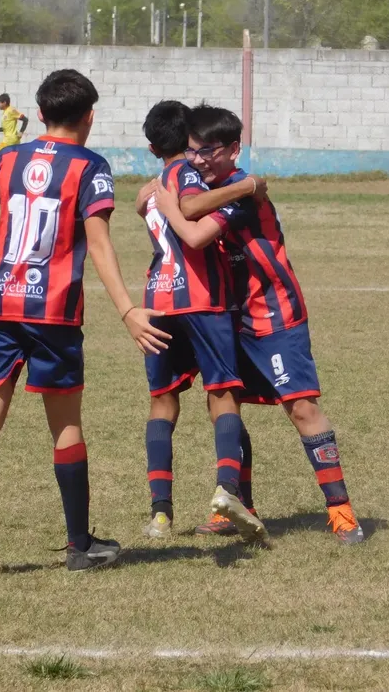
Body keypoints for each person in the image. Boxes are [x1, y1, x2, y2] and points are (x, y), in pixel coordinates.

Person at [0, 70, 171, 571]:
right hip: (53, 312)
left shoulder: (6, 157)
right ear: (90, 116)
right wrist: (129, 310)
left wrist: (4, 253)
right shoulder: (90, 166)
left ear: (39, 115)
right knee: (66, 426)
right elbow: (102, 244)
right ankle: (79, 547)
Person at [153, 104, 365, 545]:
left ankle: (342, 513)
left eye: (209, 152)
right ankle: (239, 508)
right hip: (230, 315)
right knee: (225, 404)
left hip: (273, 313)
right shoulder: (207, 183)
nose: (199, 161)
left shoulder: (243, 194)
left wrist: (172, 197)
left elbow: (191, 222)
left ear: (234, 149)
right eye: (192, 152)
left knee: (301, 408)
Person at [137, 101, 267, 544]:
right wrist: (248, 186)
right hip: (203, 298)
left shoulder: (152, 186)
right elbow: (191, 217)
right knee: (224, 393)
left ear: (153, 146)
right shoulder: (185, 178)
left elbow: (148, 211)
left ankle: (159, 514)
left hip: (158, 298)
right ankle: (227, 490)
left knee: (162, 401)